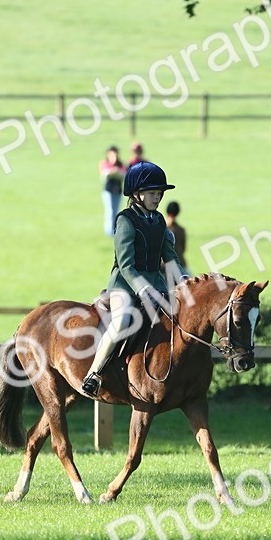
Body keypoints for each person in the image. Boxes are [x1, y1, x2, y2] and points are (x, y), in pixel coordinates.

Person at [81, 161, 185, 397]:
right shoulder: (125, 220)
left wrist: (185, 282)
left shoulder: (159, 220)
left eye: (159, 193)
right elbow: (126, 265)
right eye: (152, 193)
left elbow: (170, 259)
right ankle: (94, 374)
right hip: (125, 286)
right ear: (137, 194)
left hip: (157, 285)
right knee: (121, 321)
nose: (157, 198)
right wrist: (143, 289)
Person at [98, 146, 125, 237]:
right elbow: (104, 175)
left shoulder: (121, 164)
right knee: (110, 210)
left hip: (118, 191)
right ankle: (109, 232)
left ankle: (115, 230)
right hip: (108, 191)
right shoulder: (105, 163)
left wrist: (115, 172)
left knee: (116, 211)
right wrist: (114, 171)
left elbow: (123, 175)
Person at [164, 200, 188, 274]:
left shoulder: (161, 229)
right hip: (180, 265)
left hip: (164, 267)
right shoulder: (181, 230)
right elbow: (183, 249)